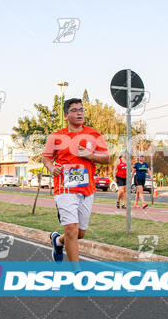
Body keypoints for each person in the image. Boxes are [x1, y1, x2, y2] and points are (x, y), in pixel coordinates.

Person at [43, 98, 109, 264]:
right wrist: (52, 168)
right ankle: (77, 274)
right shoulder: (56, 137)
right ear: (66, 115)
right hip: (64, 187)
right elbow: (46, 159)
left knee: (79, 233)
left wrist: (90, 155)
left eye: (81, 109)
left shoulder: (95, 135)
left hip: (87, 189)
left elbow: (107, 158)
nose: (79, 113)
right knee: (71, 229)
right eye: (74, 110)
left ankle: (57, 241)